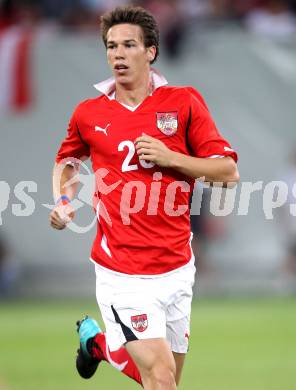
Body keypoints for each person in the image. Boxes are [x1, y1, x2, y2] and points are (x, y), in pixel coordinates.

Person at [49, 5, 239, 389]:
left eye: (129, 45)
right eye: (111, 46)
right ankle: (104, 344)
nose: (118, 54)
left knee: (161, 377)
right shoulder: (89, 113)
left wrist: (171, 158)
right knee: (161, 377)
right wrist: (64, 201)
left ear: (150, 51)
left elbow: (228, 174)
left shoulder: (183, 102)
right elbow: (68, 162)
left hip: (177, 266)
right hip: (123, 271)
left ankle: (98, 345)